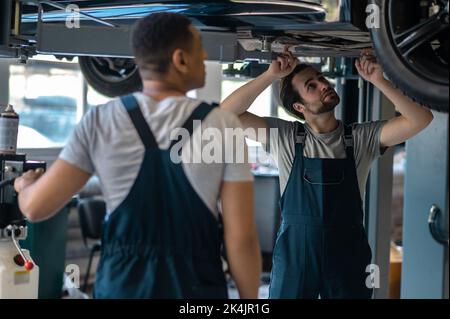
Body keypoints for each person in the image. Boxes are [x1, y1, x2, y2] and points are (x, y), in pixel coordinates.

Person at [14, 12, 261, 299]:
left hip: (122, 286)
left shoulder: (100, 121)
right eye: (199, 48)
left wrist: (24, 186)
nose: (205, 55)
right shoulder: (222, 124)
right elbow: (241, 238)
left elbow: (34, 208)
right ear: (180, 59)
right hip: (194, 288)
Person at [220, 47, 433, 299]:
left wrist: (378, 80)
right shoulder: (286, 137)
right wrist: (270, 76)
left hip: (347, 256)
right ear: (299, 106)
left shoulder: (361, 138)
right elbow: (225, 114)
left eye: (321, 78)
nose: (323, 85)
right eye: (311, 86)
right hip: (295, 257)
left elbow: (421, 118)